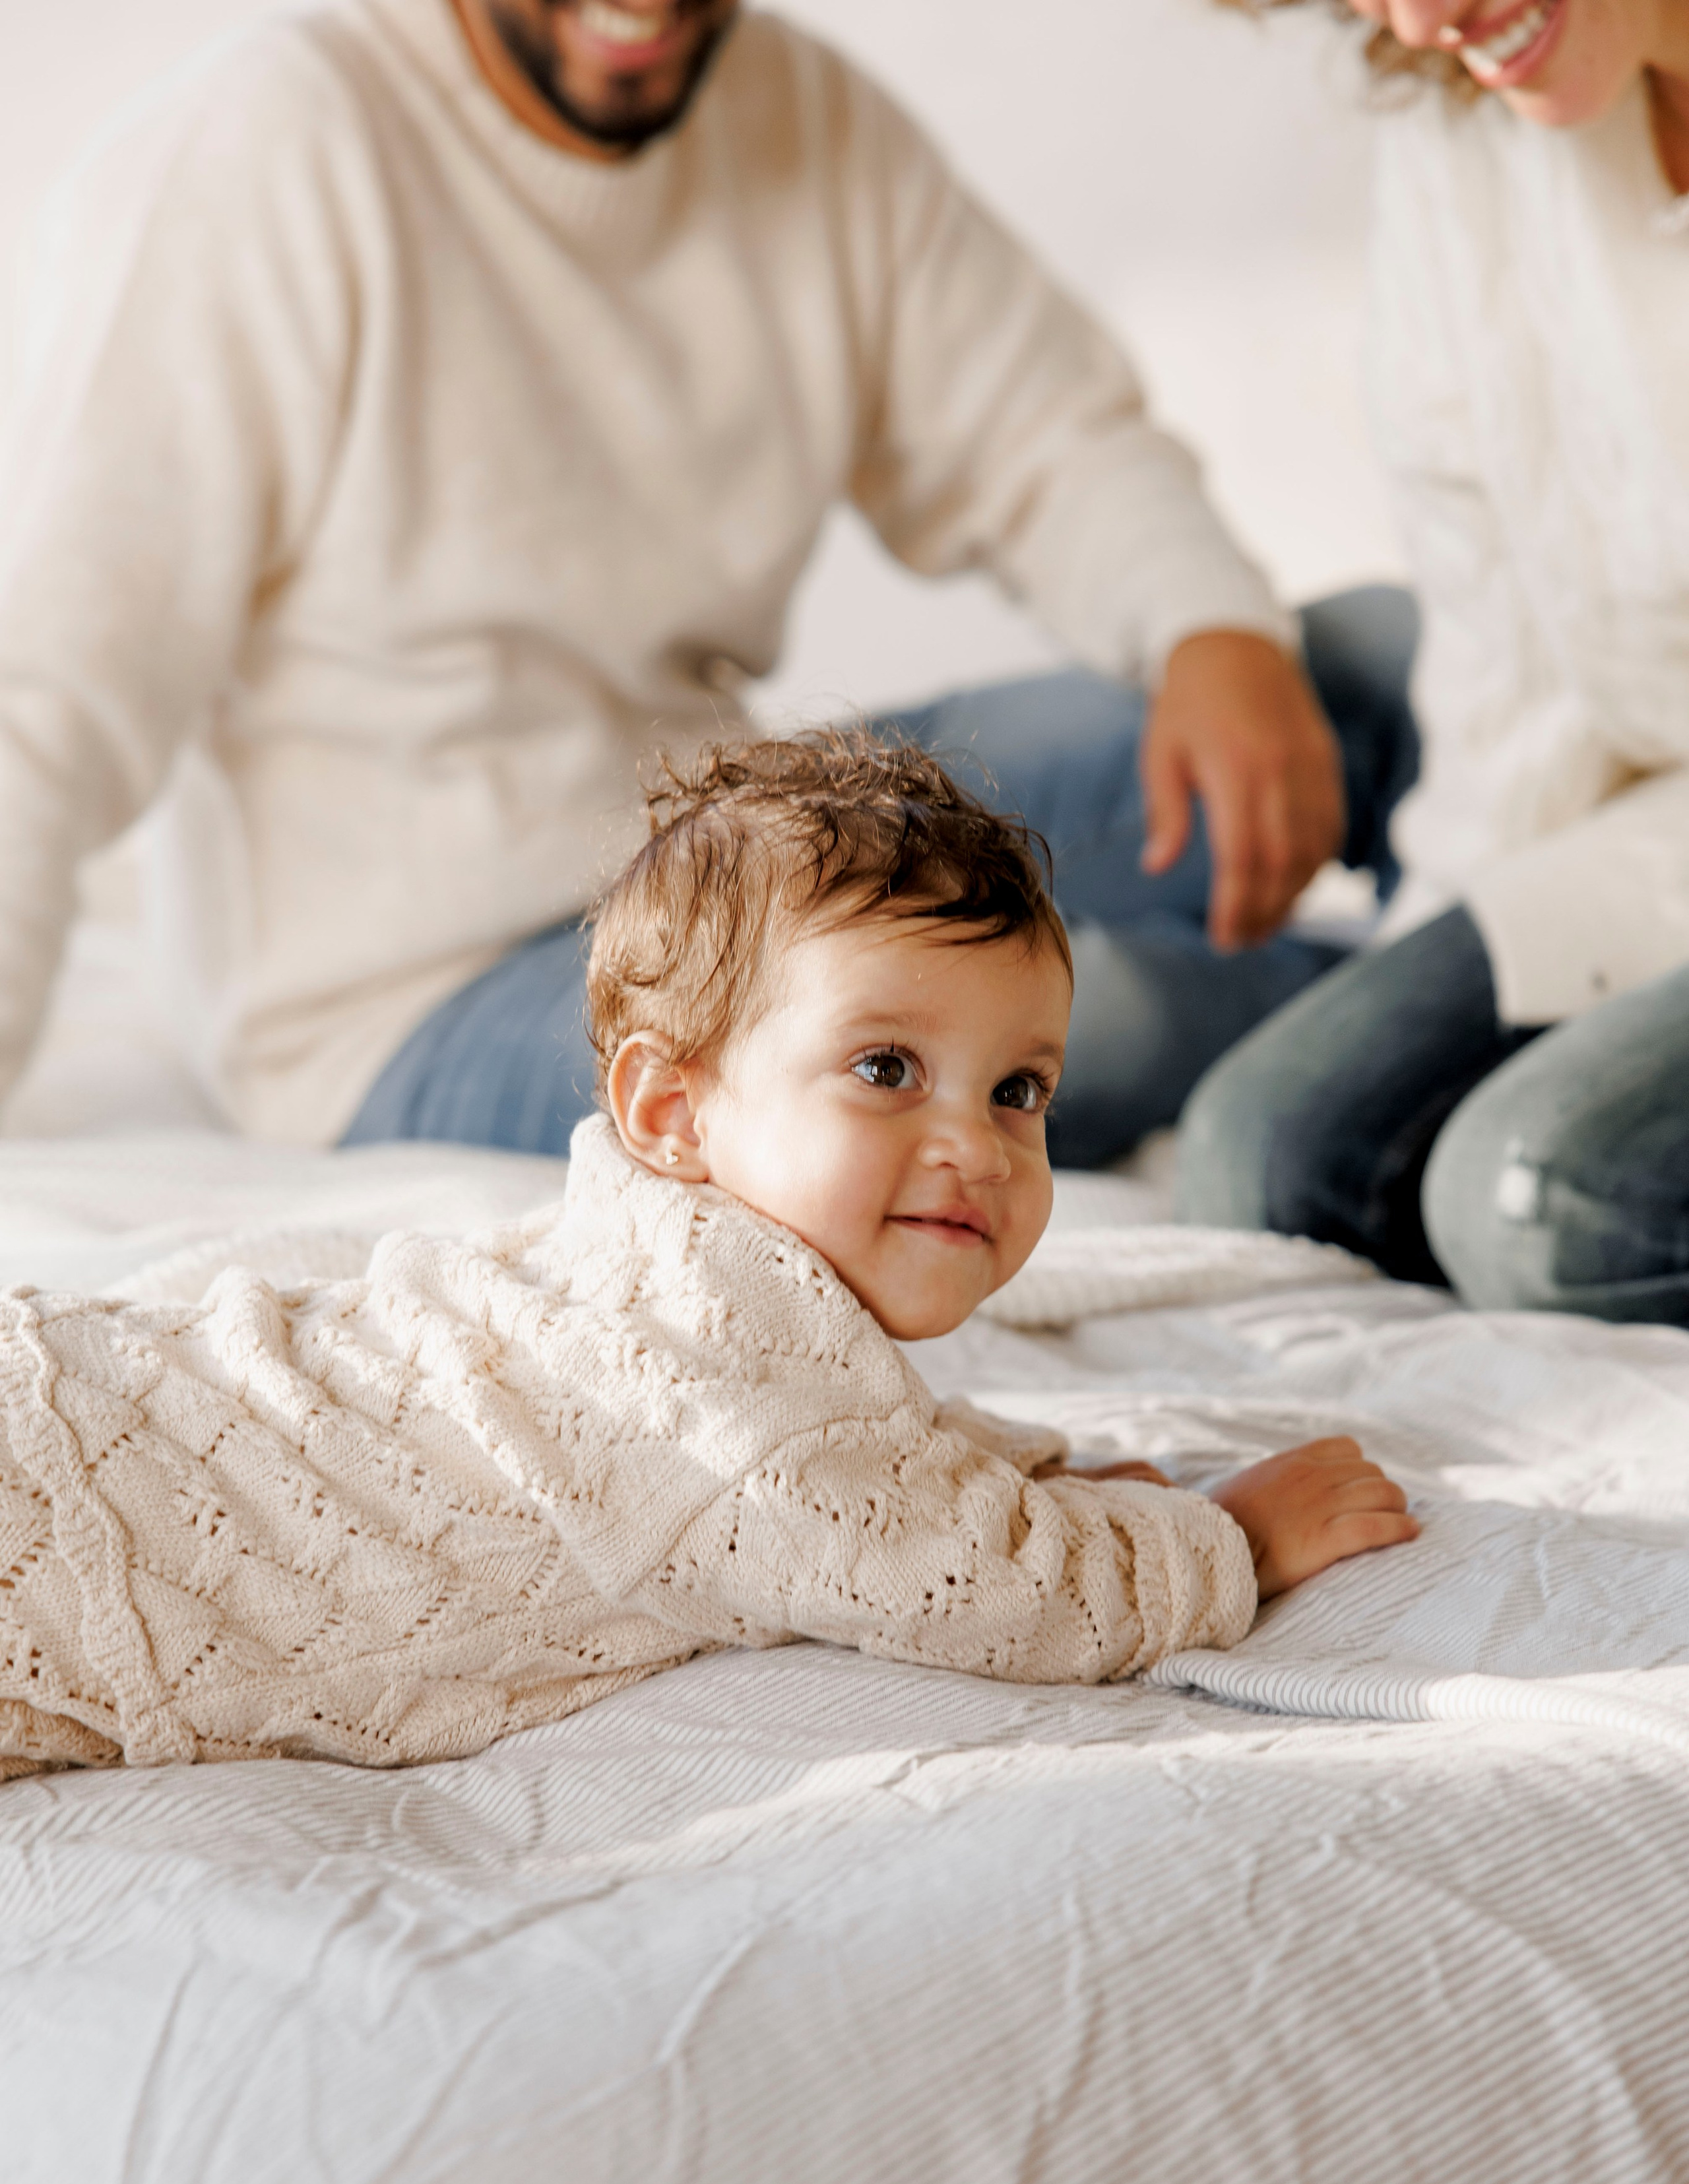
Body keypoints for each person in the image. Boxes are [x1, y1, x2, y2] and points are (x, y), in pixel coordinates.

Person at [0, 0, 1413, 1171]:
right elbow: (46, 694)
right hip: (415, 1001)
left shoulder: (804, 116)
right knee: (1068, 1025)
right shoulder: (268, 145)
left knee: (1349, 663)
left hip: (722, 844)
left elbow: (1045, 440)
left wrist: (1209, 630)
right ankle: (1494, 1026)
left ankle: (1563, 935)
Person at [0, 732, 1418, 1783]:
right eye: (884, 1068)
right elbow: (996, 1590)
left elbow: (838, 1454)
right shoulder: (740, 1389)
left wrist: (1014, 1468)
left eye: (1018, 1091)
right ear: (670, 1112)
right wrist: (1219, 1540)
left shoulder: (660, 1279)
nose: (976, 1147)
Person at [1181, 0, 1689, 1322]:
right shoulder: (1465, 127)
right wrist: (1442, 968)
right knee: (1261, 1158)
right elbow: (1503, 643)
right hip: (1664, 818)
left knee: (1543, 1203)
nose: (1414, 18)